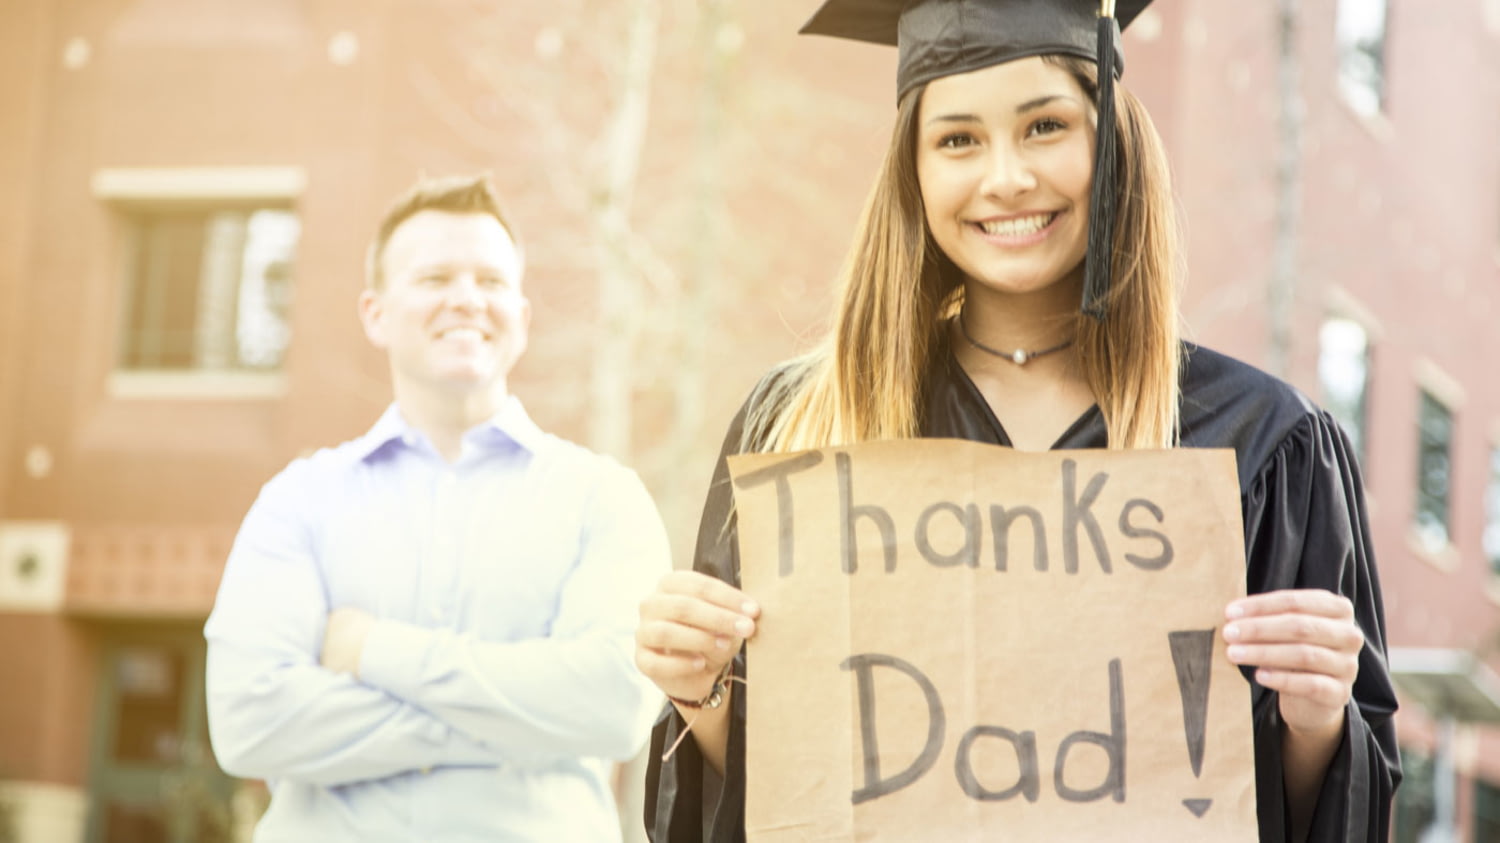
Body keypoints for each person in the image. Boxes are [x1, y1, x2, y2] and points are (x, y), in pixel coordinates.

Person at [633, 1, 1400, 840]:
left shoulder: (1254, 443)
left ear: (1111, 142)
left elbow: (1300, 809)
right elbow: (771, 789)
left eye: (1045, 126)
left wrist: (1317, 716)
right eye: (958, 139)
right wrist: (699, 686)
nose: (1006, 177)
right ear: (913, 169)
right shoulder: (805, 425)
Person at [205, 174, 670, 841]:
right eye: (434, 279)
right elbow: (250, 722)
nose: (466, 299)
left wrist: (373, 648)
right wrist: (521, 718)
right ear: (375, 313)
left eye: (491, 281)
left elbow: (614, 707)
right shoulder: (298, 501)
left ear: (523, 316)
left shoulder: (604, 497)